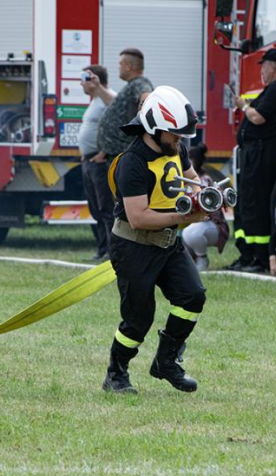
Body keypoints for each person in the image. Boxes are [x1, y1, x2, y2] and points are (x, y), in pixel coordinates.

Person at [102, 86, 207, 394]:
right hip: (133, 246)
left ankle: (166, 361)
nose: (181, 141)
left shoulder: (175, 147)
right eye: (175, 135)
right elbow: (139, 217)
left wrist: (201, 197)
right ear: (154, 129)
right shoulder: (132, 163)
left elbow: (194, 178)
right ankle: (115, 374)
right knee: (138, 319)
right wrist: (186, 218)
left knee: (192, 296)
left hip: (168, 243)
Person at [226, 48, 276, 273]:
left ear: (273, 66)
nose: (262, 72)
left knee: (254, 203)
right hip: (257, 153)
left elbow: (258, 117)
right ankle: (247, 254)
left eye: (263, 67)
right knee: (247, 201)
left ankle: (256, 258)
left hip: (260, 154)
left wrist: (243, 105)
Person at [90, 48, 153, 170]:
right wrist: (98, 87)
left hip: (124, 157)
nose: (118, 67)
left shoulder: (139, 83)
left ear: (129, 67)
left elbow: (146, 96)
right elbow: (113, 104)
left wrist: (141, 118)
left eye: (120, 64)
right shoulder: (130, 86)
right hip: (115, 156)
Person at [78, 64, 115, 260]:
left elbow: (118, 127)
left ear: (95, 80)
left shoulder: (107, 99)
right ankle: (102, 249)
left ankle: (111, 251)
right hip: (88, 162)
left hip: (100, 163)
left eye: (84, 78)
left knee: (106, 209)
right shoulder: (95, 102)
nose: (80, 83)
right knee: (95, 208)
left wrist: (104, 153)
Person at [181, 143, 229, 271]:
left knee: (191, 232)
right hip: (188, 223)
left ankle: (202, 258)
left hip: (211, 224)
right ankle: (190, 261)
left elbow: (205, 210)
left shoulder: (204, 180)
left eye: (188, 159)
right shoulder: (182, 179)